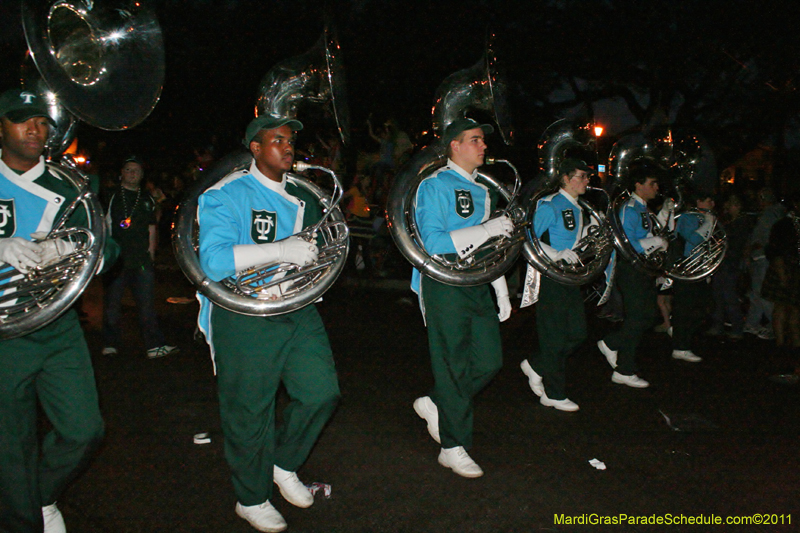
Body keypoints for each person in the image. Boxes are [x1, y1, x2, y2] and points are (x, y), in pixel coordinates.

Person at [196, 115, 340, 532]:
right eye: (276, 140)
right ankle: (251, 498)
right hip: (243, 313)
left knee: (322, 392)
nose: (288, 146)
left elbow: (323, 247)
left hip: (296, 307)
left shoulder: (304, 194)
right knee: (249, 411)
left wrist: (310, 260)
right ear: (255, 149)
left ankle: (283, 462)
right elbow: (214, 261)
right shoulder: (226, 192)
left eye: (290, 140)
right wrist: (281, 251)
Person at [0, 88, 118, 532]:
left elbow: (108, 248)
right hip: (3, 330)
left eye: (42, 122)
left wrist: (67, 248)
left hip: (56, 324)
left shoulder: (70, 186)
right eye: (21, 119)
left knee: (84, 430)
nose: (35, 129)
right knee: (11, 445)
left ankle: (41, 494)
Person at [411, 118, 512, 478]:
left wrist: (500, 288)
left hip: (476, 283)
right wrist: (486, 229)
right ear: (454, 145)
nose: (483, 146)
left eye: (482, 140)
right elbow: (433, 242)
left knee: (490, 361)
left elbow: (488, 249)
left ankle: (438, 401)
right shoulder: (432, 185)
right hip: (443, 283)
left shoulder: (484, 190)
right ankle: (452, 446)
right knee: (452, 364)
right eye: (475, 140)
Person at [519, 158, 593, 412]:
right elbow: (527, 237)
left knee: (577, 333)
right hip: (551, 277)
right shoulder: (550, 204)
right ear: (565, 179)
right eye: (581, 176)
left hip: (570, 277)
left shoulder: (579, 208)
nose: (587, 181)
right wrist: (556, 253)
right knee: (555, 337)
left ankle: (537, 364)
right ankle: (553, 393)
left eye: (587, 176)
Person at [597, 162, 669, 388]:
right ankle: (624, 369)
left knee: (647, 316)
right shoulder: (629, 208)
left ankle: (611, 343)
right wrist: (655, 241)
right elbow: (626, 244)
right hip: (631, 269)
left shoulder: (642, 208)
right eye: (652, 183)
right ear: (638, 185)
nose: (656, 187)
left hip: (641, 269)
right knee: (637, 319)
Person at [101, 156, 178, 359]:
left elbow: (152, 227)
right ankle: (110, 343)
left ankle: (154, 345)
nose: (132, 173)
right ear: (121, 173)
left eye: (136, 170)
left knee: (147, 305)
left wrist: (151, 254)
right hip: (116, 259)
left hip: (141, 259)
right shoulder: (111, 195)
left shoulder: (146, 198)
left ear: (142, 175)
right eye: (128, 169)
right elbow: (102, 224)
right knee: (112, 304)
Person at [670, 191, 717, 362]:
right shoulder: (687, 218)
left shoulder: (706, 219)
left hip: (700, 270)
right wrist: (708, 223)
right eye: (708, 200)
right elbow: (695, 240)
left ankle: (680, 335)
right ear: (698, 201)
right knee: (685, 309)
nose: (712, 204)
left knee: (703, 309)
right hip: (686, 270)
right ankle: (680, 346)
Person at [744, 187, 786, 339]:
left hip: (763, 257)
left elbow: (764, 238)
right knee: (756, 293)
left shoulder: (769, 215)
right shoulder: (775, 213)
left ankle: (774, 325)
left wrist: (750, 248)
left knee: (762, 293)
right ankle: (752, 323)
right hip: (762, 257)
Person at [709, 194, 751, 340]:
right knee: (719, 295)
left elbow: (734, 244)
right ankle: (720, 325)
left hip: (730, 263)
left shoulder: (740, 223)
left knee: (729, 296)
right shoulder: (733, 222)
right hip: (725, 262)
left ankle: (736, 327)